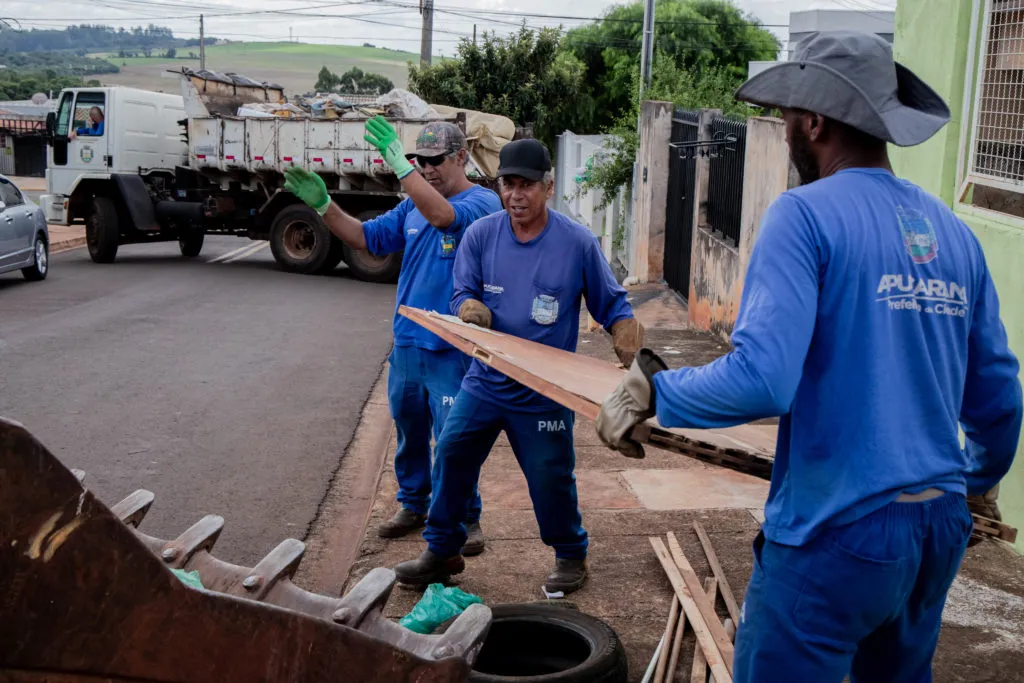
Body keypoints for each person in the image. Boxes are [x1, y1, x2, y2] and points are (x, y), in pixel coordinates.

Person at [597, 31, 1022, 682]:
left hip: (838, 535)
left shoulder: (804, 217)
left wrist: (655, 391)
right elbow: (999, 398)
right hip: (935, 527)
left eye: (787, 115)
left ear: (815, 121)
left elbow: (764, 380)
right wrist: (973, 484)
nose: (784, 126)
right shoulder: (954, 234)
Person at [394, 138, 645, 596]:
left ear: (548, 186)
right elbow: (460, 292)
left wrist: (627, 338)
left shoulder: (576, 243)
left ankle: (570, 553)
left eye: (527, 185)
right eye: (509, 184)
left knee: (551, 477)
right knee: (450, 453)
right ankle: (442, 548)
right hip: (486, 381)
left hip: (543, 391)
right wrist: (470, 306)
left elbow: (612, 304)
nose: (516, 195)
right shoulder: (482, 235)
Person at [285, 118, 502, 553]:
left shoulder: (482, 205)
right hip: (407, 345)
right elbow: (365, 239)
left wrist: (401, 167)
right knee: (409, 431)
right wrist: (325, 204)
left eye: (435, 160)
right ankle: (414, 504)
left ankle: (464, 515)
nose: (426, 169)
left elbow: (443, 217)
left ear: (461, 157)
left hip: (451, 349)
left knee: (454, 441)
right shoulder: (410, 208)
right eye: (420, 161)